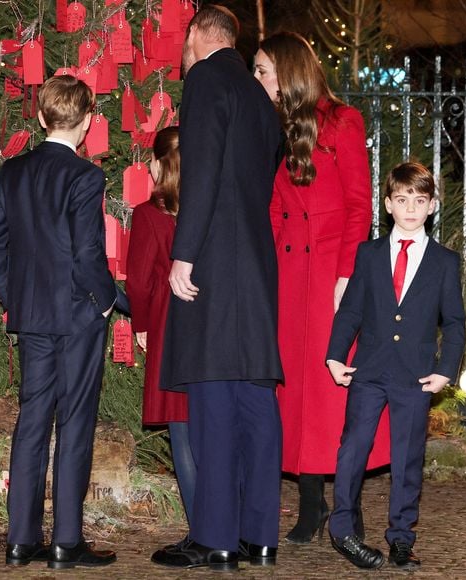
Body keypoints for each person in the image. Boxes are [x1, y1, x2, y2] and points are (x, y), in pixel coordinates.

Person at [151, 5, 283, 572]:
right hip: (255, 264)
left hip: (214, 264)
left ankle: (214, 538)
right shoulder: (260, 96)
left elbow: (200, 170)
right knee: (255, 399)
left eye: (183, 42)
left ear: (198, 36)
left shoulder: (206, 77)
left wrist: (184, 254)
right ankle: (259, 536)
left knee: (211, 399)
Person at [0, 74, 129, 570]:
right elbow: (88, 254)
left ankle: (21, 539)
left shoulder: (13, 172)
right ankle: (66, 540)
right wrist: (107, 302)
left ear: (41, 117)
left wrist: (14, 296)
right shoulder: (85, 177)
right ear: (87, 123)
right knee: (76, 423)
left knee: (32, 422)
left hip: (34, 317)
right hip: (79, 316)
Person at [254, 31, 390, 544]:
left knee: (335, 391)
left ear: (289, 70)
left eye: (264, 69)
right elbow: (270, 205)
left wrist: (348, 277)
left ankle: (345, 507)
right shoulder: (272, 125)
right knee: (296, 392)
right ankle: (310, 504)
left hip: (333, 273)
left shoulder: (343, 121)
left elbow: (360, 205)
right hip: (289, 276)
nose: (259, 79)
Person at [326, 162, 466, 570]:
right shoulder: (367, 254)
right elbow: (350, 310)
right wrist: (335, 355)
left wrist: (446, 369)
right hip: (368, 370)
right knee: (352, 449)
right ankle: (343, 528)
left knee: (408, 458)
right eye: (402, 200)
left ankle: (401, 537)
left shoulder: (444, 261)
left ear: (431, 206)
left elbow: (455, 321)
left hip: (416, 375)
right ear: (388, 205)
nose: (410, 209)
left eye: (419, 201)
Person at [125, 127, 196, 524]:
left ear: (157, 164)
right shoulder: (210, 209)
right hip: (207, 323)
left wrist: (143, 324)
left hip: (169, 323)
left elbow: (139, 280)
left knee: (181, 428)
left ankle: (198, 524)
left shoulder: (149, 214)